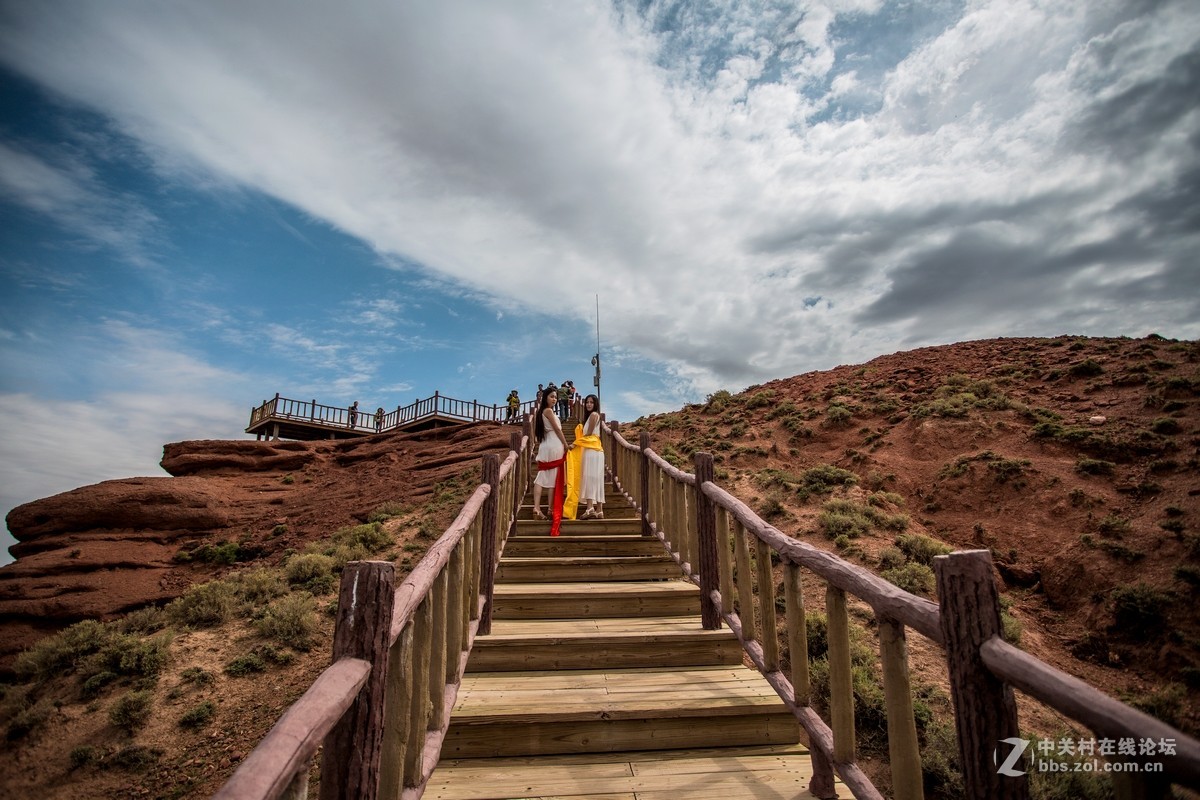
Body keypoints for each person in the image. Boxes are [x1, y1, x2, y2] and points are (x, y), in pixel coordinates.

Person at [531, 387, 572, 536]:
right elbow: (558, 430)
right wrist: (566, 445)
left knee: (544, 476)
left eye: (555, 397)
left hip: (546, 444)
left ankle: (541, 508)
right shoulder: (548, 411)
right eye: (552, 397)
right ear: (546, 398)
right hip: (554, 444)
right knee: (551, 477)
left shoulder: (544, 412)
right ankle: (546, 508)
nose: (554, 399)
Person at [575, 394, 605, 519]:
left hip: (591, 449)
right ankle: (599, 510)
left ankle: (589, 508)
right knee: (596, 478)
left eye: (591, 402)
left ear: (595, 404)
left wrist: (575, 443)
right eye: (587, 402)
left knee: (588, 477)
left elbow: (588, 435)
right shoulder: (592, 416)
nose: (588, 404)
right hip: (596, 449)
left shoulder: (593, 415)